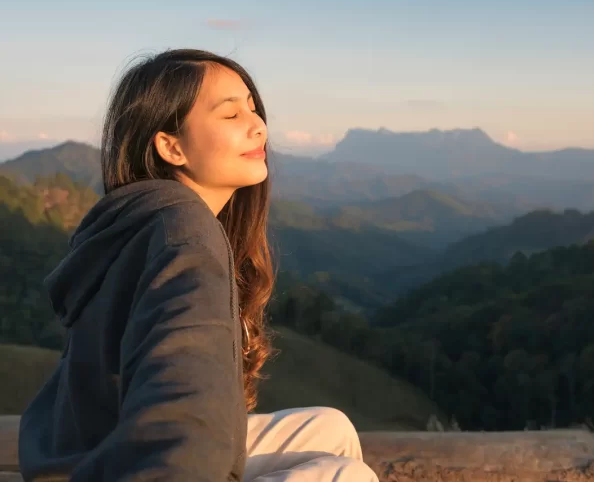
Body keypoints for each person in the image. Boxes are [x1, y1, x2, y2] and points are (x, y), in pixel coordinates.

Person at [18, 49, 379, 481]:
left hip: (93, 451)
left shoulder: (147, 219)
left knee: (329, 430)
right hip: (123, 468)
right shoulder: (184, 234)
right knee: (345, 476)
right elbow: (184, 400)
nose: (258, 124)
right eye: (231, 115)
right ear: (171, 147)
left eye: (252, 107)